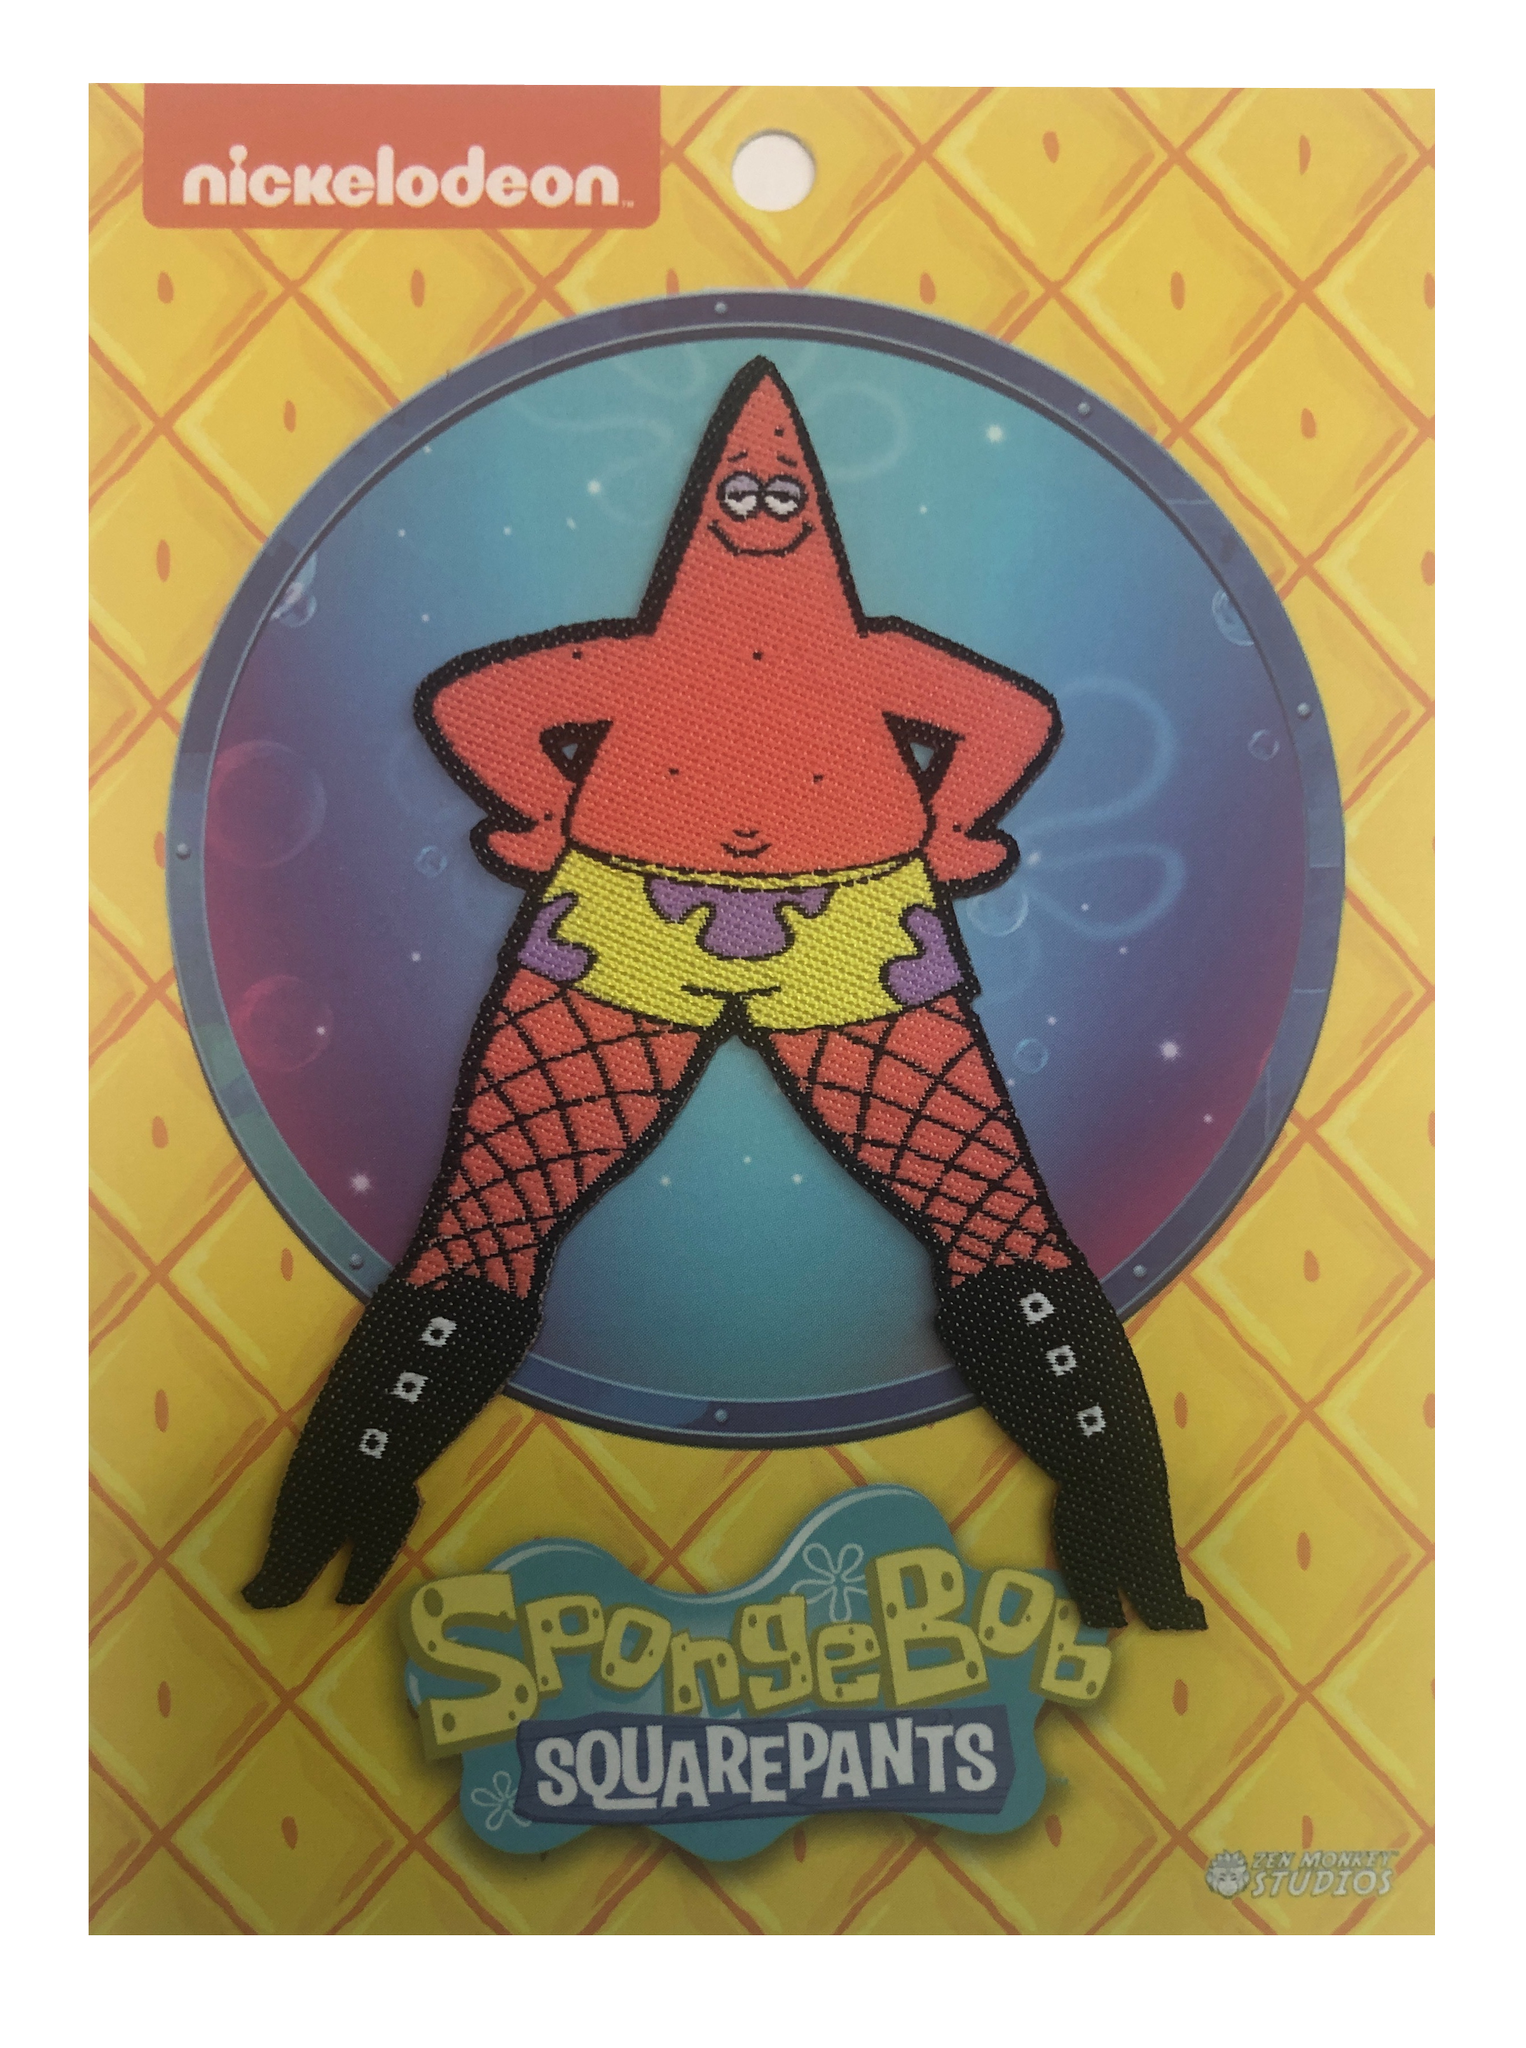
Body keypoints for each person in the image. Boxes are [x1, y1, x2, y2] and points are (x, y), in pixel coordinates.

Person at [243, 358, 1206, 1635]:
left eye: (777, 492)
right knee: (490, 1216)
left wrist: (948, 821)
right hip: (630, 921)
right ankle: (347, 1488)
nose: (758, 512)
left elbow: (1004, 720)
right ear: (710, 506)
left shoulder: (857, 659)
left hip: (845, 928)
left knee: (990, 1216)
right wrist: (545, 810)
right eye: (738, 493)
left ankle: (1117, 1515)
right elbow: (480, 706)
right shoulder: (657, 662)